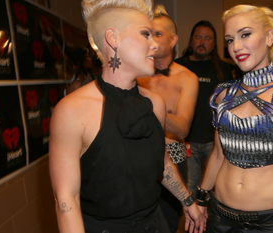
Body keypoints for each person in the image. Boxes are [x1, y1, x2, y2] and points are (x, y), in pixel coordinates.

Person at [48, 0, 203, 232]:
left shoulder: (156, 104)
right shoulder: (71, 111)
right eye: (145, 34)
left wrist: (187, 200)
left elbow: (162, 161)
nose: (154, 45)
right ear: (113, 38)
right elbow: (66, 200)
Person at [196, 5, 273, 232]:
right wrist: (201, 199)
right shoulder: (224, 93)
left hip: (269, 223)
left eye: (245, 35)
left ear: (269, 36)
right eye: (230, 39)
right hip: (219, 217)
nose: (236, 46)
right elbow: (217, 155)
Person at [137, 5, 199, 232]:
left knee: (167, 226)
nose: (151, 40)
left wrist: (147, 110)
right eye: (147, 34)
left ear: (174, 40)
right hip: (138, 159)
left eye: (158, 34)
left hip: (173, 158)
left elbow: (182, 128)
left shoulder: (187, 77)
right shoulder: (135, 74)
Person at [174, 20, 233, 196]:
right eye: (198, 37)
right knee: (190, 186)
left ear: (214, 44)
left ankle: (212, 222)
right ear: (191, 41)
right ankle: (194, 222)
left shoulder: (224, 69)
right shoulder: (178, 67)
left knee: (217, 186)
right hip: (187, 140)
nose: (202, 42)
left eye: (207, 38)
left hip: (215, 140)